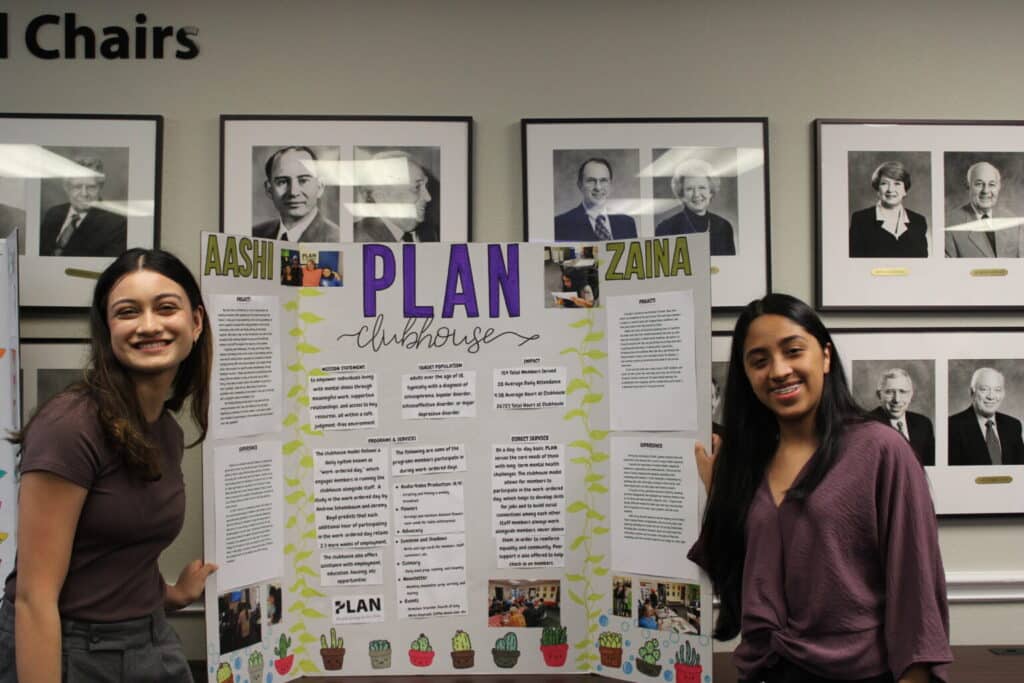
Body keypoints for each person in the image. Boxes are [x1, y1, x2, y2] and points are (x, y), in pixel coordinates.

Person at [691, 293, 950, 683]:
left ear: (825, 356)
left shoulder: (882, 449)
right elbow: (743, 584)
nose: (778, 371)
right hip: (763, 672)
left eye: (793, 351)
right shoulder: (745, 462)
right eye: (759, 361)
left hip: (859, 674)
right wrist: (722, 501)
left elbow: (915, 589)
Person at [0, 248, 217, 681]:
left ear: (195, 322)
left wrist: (171, 594)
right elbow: (33, 599)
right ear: (108, 330)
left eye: (166, 307)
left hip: (149, 637)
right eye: (128, 312)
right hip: (70, 649)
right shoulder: (70, 427)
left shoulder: (165, 431)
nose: (149, 325)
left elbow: (116, 547)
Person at [39, 155, 127, 257]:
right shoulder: (53, 213)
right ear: (67, 188)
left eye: (91, 187)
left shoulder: (116, 223)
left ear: (100, 188)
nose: (84, 193)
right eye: (77, 187)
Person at [253, 146, 340, 243]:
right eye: (282, 182)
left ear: (320, 187)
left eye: (303, 180)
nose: (293, 192)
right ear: (269, 190)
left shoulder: (336, 239)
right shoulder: (255, 235)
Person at [655, 159, 736, 255]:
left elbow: (731, 267)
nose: (696, 194)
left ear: (710, 192)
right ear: (682, 194)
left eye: (702, 187)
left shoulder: (724, 227)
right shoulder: (666, 228)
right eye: (689, 189)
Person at [849, 161, 929, 258]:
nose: (890, 189)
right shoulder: (860, 220)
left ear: (905, 191)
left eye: (897, 183)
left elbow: (922, 263)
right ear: (878, 190)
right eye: (884, 184)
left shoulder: (918, 221)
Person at [944, 161, 1024, 258]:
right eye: (979, 184)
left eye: (991, 184)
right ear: (968, 187)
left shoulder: (1013, 222)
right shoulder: (949, 225)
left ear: (998, 187)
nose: (986, 191)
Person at [354, 150, 438, 242]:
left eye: (426, 186)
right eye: (417, 187)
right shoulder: (357, 238)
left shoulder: (431, 234)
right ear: (381, 197)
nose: (428, 197)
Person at [948, 367, 1024, 466]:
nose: (991, 396)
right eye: (984, 389)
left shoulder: (1013, 425)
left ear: (1003, 394)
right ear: (972, 392)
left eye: (997, 390)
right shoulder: (952, 426)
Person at [554, 158, 637, 242]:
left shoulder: (627, 224)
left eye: (603, 180)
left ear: (610, 185)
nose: (598, 187)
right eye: (591, 181)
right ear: (580, 185)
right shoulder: (561, 224)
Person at [867, 368, 935, 466]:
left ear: (911, 395)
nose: (897, 399)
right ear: (879, 395)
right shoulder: (867, 425)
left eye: (902, 392)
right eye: (889, 392)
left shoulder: (923, 424)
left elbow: (931, 467)